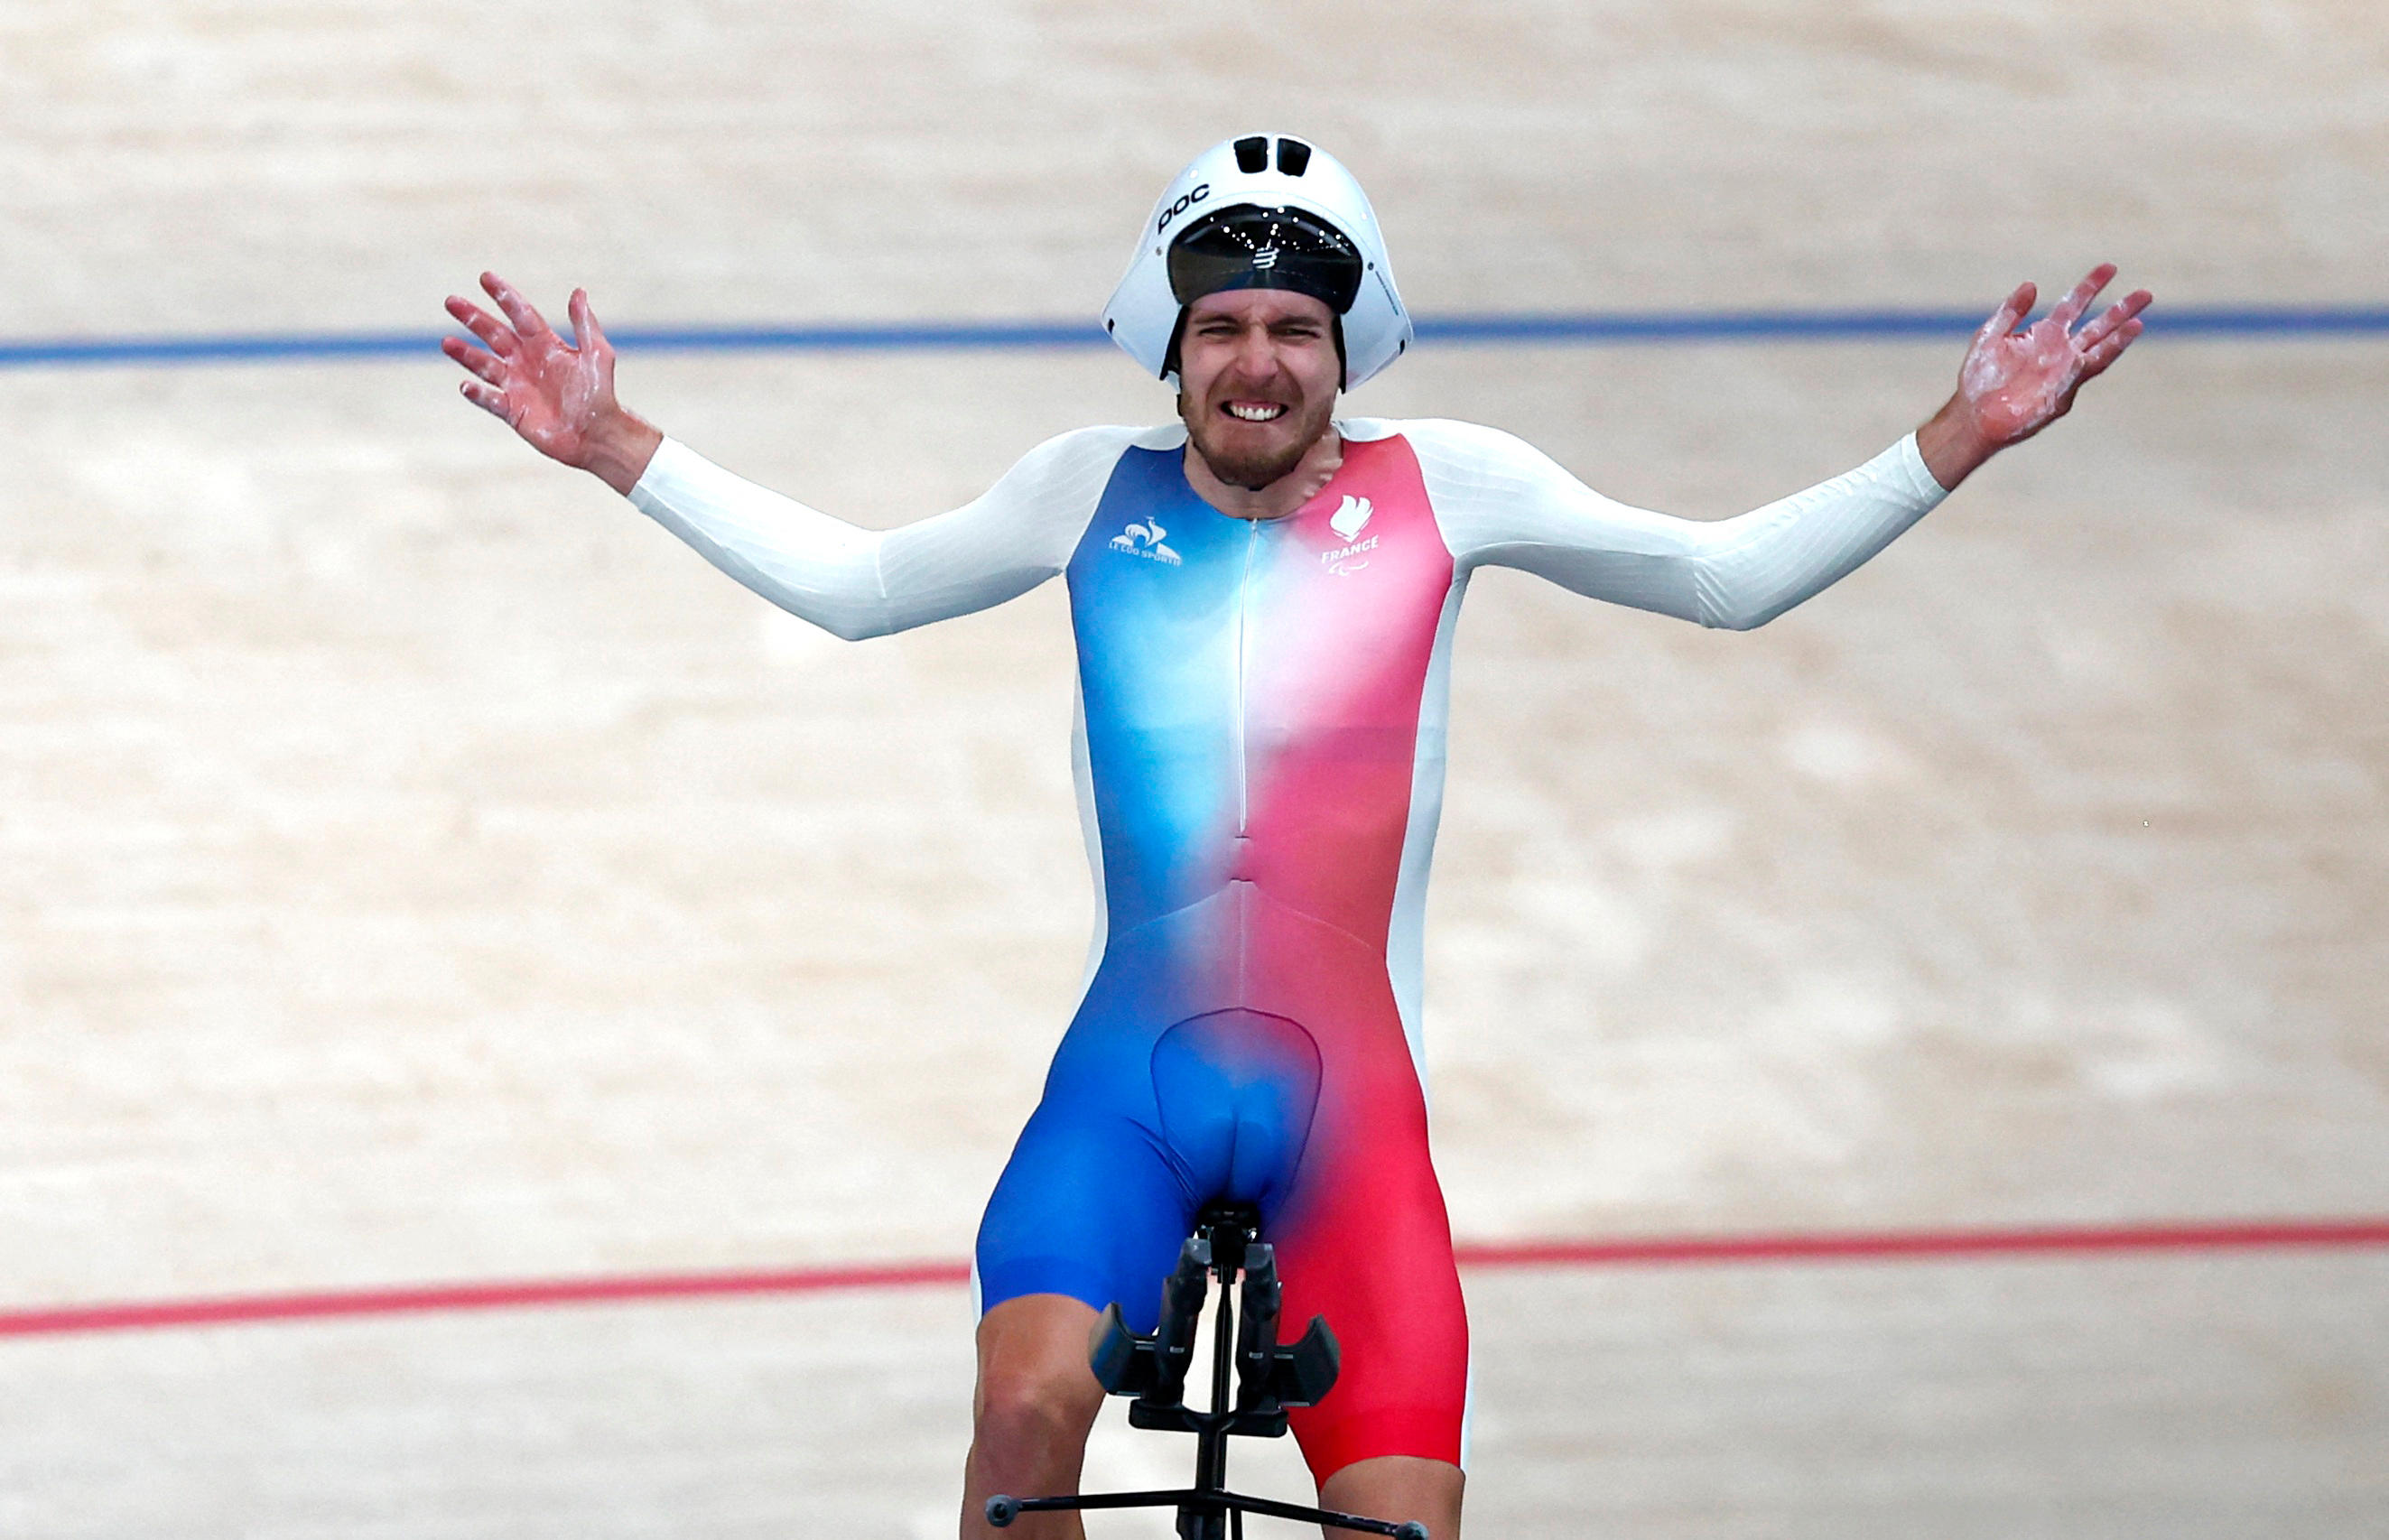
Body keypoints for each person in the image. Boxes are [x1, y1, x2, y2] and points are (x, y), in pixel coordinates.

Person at [442, 133, 2149, 1540]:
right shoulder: (1078, 491)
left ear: (1346, 355)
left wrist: (1957, 441)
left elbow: (1719, 578)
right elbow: (860, 589)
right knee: (1022, 1422)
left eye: (1293, 332)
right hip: (1126, 1092)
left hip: (1355, 1124)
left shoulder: (1449, 482)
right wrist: (614, 449)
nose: (1257, 361)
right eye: (1224, 328)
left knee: (1405, 1522)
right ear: (1170, 350)